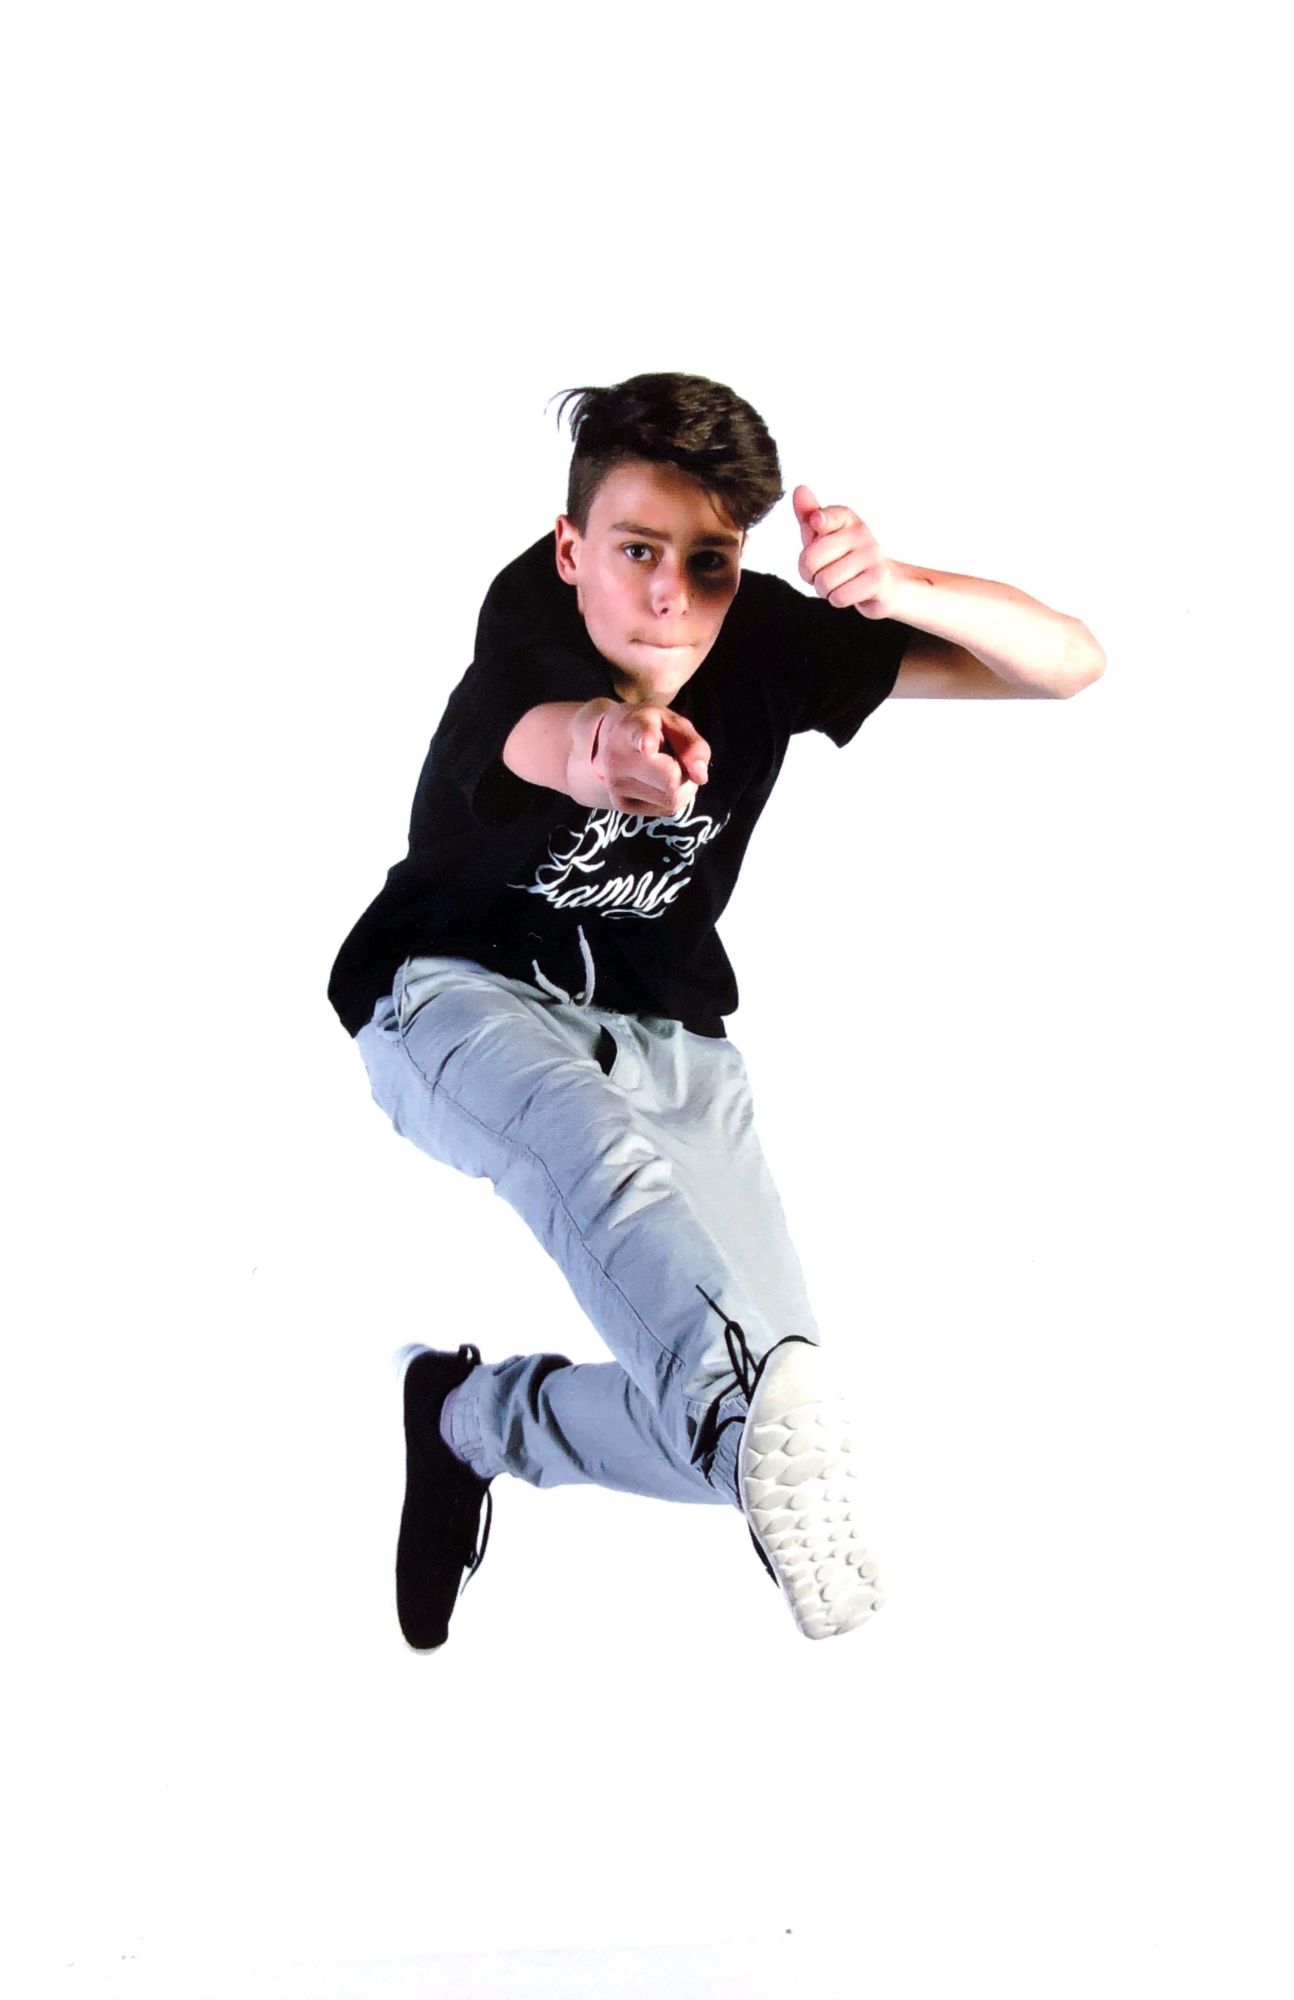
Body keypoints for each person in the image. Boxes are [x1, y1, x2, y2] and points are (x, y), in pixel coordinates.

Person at [328, 372, 1105, 1650]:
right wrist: (606, 752)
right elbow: (539, 734)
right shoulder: (527, 622)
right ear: (573, 547)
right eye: (635, 551)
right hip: (450, 999)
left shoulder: (763, 638)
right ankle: (719, 1397)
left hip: (668, 1035)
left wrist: (897, 585)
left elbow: (1068, 663)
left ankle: (467, 1421)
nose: (669, 599)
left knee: (751, 1426)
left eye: (709, 563)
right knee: (617, 1187)